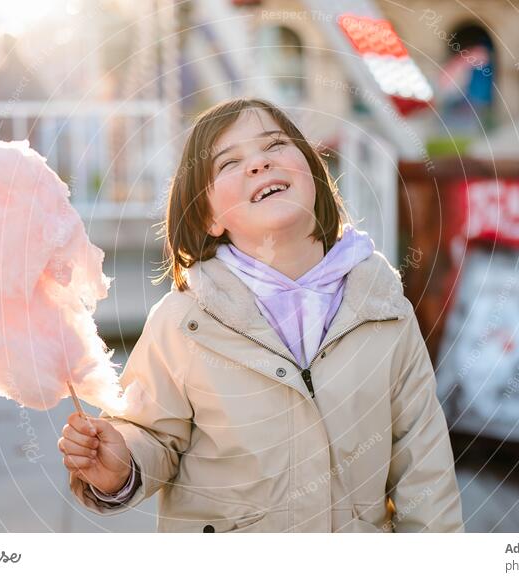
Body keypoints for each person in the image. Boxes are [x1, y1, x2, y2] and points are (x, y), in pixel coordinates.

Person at [59, 97, 464, 533]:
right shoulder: (184, 321)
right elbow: (152, 434)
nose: (258, 164)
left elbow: (424, 467)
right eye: (229, 163)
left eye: (274, 145)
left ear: (312, 171)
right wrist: (120, 458)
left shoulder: (384, 310)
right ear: (209, 216)